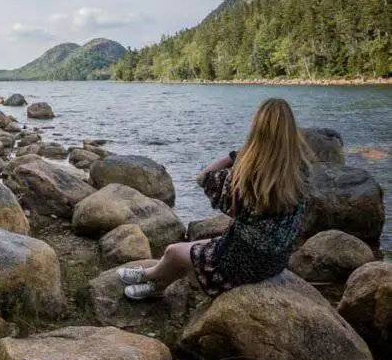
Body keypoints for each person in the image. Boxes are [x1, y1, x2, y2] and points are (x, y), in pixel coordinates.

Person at [118, 98, 312, 300]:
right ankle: (157, 288)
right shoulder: (301, 172)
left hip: (238, 264)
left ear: (258, 130)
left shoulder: (247, 177)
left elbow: (204, 177)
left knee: (172, 252)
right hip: (274, 260)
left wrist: (237, 156)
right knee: (190, 251)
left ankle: (147, 274)